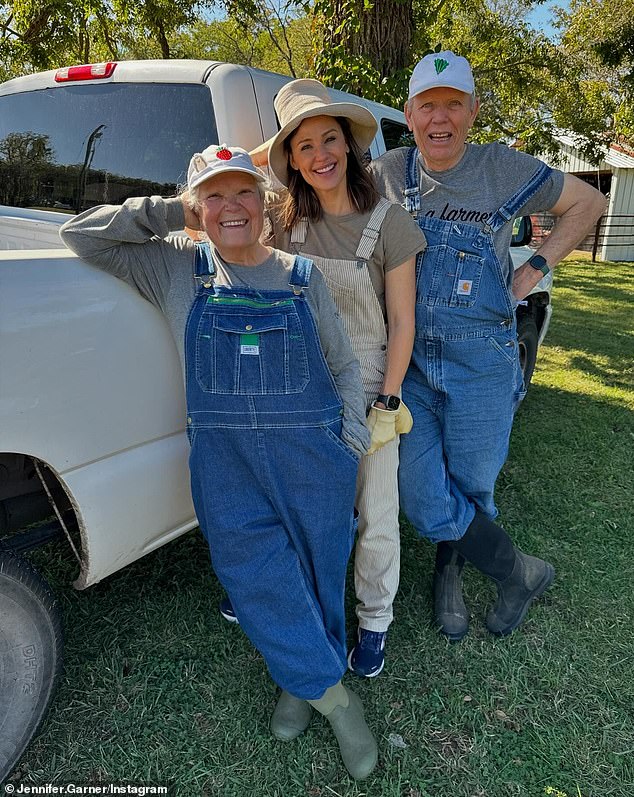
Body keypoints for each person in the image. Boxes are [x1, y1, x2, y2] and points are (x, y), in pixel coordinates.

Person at [60, 146, 378, 780]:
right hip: (224, 460)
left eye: (243, 193)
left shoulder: (300, 275)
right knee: (254, 572)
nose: (230, 207)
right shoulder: (176, 266)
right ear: (196, 205)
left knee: (319, 570)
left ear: (267, 204)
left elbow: (343, 364)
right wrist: (171, 211)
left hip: (314, 451)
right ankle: (339, 702)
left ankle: (298, 685)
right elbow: (81, 236)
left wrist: (349, 434)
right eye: (214, 195)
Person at [369, 51, 607, 641]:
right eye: (428, 105)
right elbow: (303, 176)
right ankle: (520, 571)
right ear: (409, 113)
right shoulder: (387, 173)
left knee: (474, 484)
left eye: (453, 104)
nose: (440, 118)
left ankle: (449, 570)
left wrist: (538, 267)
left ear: (473, 111)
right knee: (421, 492)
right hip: (412, 363)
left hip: (485, 361)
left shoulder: (503, 167)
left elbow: (590, 203)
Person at [258, 78, 426, 678]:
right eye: (302, 147)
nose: (320, 155)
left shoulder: (391, 223)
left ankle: (374, 622)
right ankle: (304, 603)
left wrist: (388, 398)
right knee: (306, 502)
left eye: (329, 139)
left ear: (350, 146)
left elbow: (402, 322)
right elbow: (219, 195)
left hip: (368, 383)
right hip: (300, 382)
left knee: (376, 508)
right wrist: (269, 154)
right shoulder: (283, 222)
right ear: (291, 162)